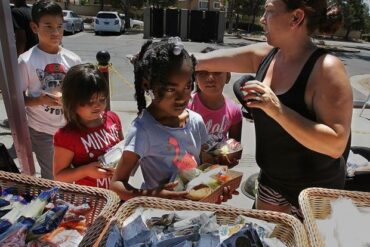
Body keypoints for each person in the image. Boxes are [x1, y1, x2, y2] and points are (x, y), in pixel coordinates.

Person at [196, 0, 352, 219]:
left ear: (295, 18)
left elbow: (336, 144)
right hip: (272, 181)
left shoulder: (326, 68)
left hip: (315, 193)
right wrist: (167, 58)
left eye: (269, 11)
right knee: (268, 238)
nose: (262, 18)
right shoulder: (267, 55)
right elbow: (204, 61)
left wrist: (277, 110)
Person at [111, 38, 216, 201]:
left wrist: (218, 178)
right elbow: (117, 184)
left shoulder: (196, 121)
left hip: (194, 210)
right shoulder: (143, 130)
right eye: (170, 89)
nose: (182, 97)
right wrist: (152, 195)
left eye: (188, 86)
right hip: (159, 214)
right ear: (147, 85)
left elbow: (205, 163)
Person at [18, 1, 81, 179]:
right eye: (48, 26)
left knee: (75, 173)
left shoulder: (73, 59)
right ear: (34, 27)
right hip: (42, 131)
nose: (55, 32)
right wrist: (40, 101)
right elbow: (17, 100)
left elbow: (81, 94)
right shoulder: (26, 61)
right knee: (52, 176)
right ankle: (55, 205)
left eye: (59, 26)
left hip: (70, 127)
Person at [53, 63, 124, 189]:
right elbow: (59, 176)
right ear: (72, 102)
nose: (97, 105)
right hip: (92, 201)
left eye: (102, 99)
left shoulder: (112, 118)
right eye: (89, 101)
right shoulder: (67, 136)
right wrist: (86, 171)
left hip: (119, 193)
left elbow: (123, 151)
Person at [188, 47, 243, 167]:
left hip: (217, 173)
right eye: (203, 73)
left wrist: (228, 158)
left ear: (228, 76)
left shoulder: (235, 111)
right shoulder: (186, 106)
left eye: (217, 72)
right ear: (195, 78)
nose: (210, 78)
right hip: (189, 171)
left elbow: (236, 149)